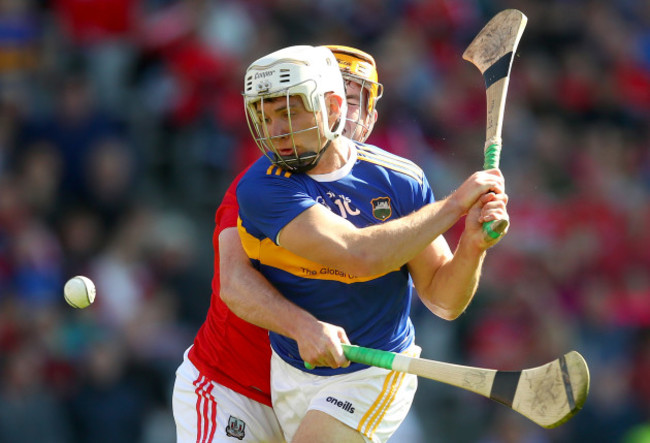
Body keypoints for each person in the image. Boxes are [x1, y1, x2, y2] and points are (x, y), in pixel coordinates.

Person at [235, 45, 508, 442]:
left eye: (289, 113)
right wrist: (455, 206)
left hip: (371, 375)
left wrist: (472, 244)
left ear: (331, 107)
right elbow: (357, 256)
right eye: (266, 115)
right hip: (289, 371)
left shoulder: (399, 181)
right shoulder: (263, 185)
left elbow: (444, 301)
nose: (277, 131)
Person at [172, 45, 387, 443]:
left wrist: (474, 237)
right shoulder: (262, 186)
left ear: (369, 117)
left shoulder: (390, 192)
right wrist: (301, 326)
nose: (345, 114)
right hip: (233, 390)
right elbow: (235, 284)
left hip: (322, 398)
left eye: (354, 100)